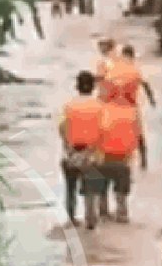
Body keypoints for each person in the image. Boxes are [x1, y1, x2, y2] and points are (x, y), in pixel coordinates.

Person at [58, 71, 104, 229]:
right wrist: (93, 150)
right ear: (93, 87)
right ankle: (90, 219)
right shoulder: (99, 106)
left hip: (71, 153)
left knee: (70, 188)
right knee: (91, 188)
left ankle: (71, 218)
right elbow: (103, 130)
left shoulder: (69, 106)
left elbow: (62, 127)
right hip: (90, 154)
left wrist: (68, 147)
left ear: (77, 86)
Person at [98, 99, 146, 223]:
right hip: (123, 158)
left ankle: (103, 213)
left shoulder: (102, 109)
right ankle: (122, 213)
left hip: (104, 157)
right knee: (121, 190)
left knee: (102, 188)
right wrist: (143, 157)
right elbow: (139, 136)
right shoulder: (132, 112)